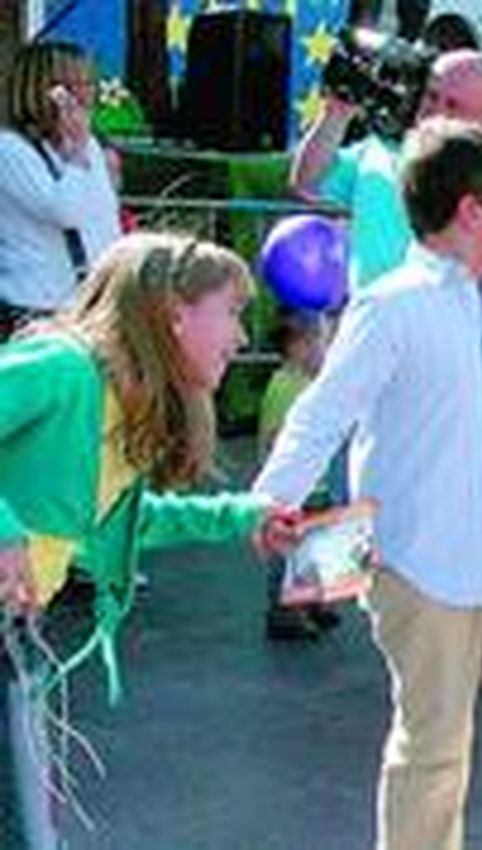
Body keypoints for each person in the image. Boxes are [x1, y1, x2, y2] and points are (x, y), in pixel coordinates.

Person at [255, 119, 482, 850]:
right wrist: (267, 503)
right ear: (471, 211)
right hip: (417, 558)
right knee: (434, 748)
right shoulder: (390, 304)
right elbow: (322, 415)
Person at [0, 233, 297, 846]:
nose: (243, 337)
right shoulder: (66, 369)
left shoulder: (118, 401)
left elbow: (119, 516)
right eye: (233, 312)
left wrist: (240, 515)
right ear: (174, 314)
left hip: (16, 637)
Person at [290, 49, 482, 292]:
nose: (436, 111)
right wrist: (336, 113)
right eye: (431, 96)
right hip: (374, 315)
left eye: (453, 105)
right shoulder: (379, 152)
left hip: (451, 321)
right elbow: (306, 185)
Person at [0, 40, 123, 340]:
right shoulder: (9, 148)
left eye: (89, 83)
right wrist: (77, 153)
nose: (86, 94)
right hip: (37, 305)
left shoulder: (85, 142)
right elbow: (66, 211)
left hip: (88, 302)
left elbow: (105, 216)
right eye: (73, 84)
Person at [257, 309, 342, 642]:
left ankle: (309, 599)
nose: (328, 350)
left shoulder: (307, 383)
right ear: (298, 346)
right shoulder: (286, 385)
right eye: (322, 342)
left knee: (316, 545)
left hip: (316, 485)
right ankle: (283, 612)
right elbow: (277, 437)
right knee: (290, 549)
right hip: (296, 491)